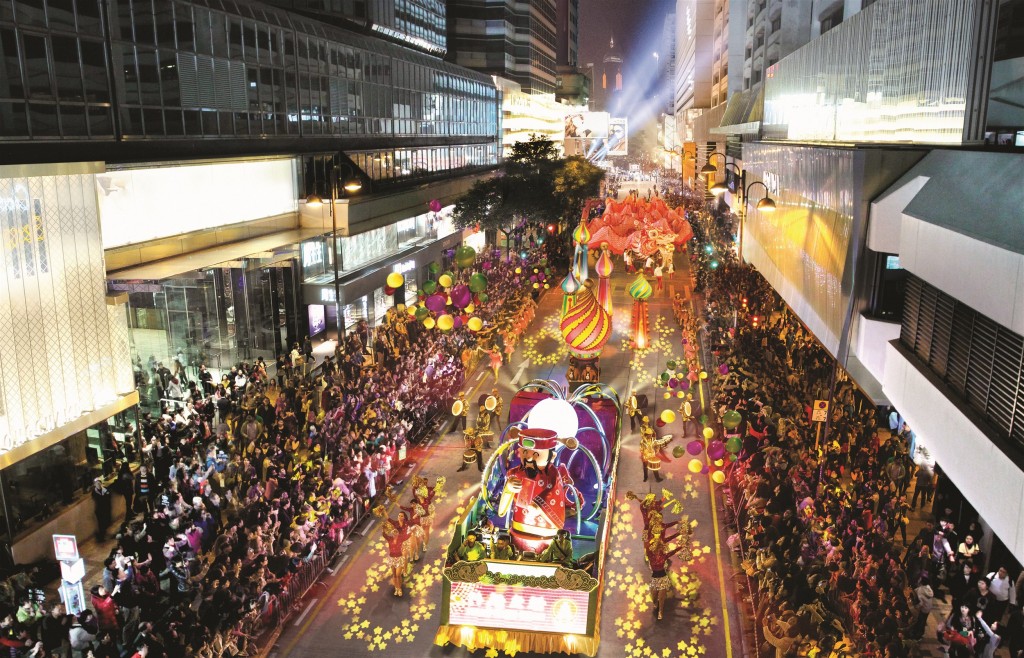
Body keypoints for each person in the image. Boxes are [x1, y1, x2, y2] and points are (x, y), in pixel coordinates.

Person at [639, 416, 671, 482]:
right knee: (645, 467)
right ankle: (645, 477)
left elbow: (656, 446)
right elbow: (641, 449)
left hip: (652, 455)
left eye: (651, 434)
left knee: (655, 467)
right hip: (646, 456)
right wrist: (644, 454)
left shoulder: (653, 439)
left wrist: (656, 451)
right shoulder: (643, 441)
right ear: (646, 435)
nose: (650, 435)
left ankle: (657, 478)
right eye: (649, 435)